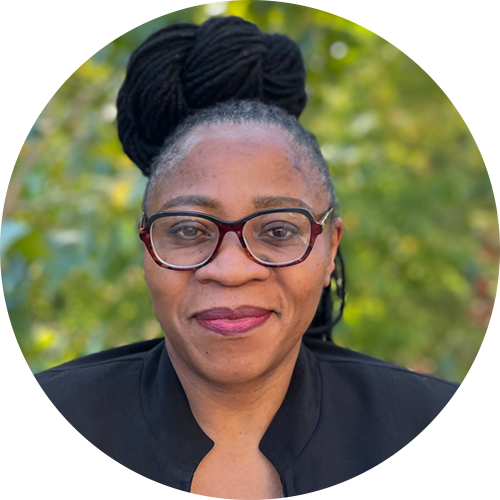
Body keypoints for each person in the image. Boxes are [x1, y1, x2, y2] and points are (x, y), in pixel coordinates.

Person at [35, 16, 459, 499]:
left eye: (278, 231)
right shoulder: (34, 428)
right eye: (189, 230)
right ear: (147, 246)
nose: (231, 270)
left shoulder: (440, 429)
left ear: (330, 248)